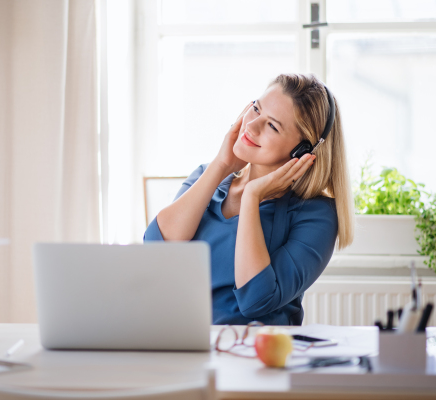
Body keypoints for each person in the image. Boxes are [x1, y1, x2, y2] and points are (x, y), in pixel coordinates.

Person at [144, 73, 354, 325]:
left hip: (253, 355)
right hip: (182, 343)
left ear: (302, 152)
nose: (251, 126)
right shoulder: (206, 176)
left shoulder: (316, 214)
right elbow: (157, 250)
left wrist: (252, 197)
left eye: (272, 126)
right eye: (256, 109)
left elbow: (256, 300)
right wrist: (222, 164)